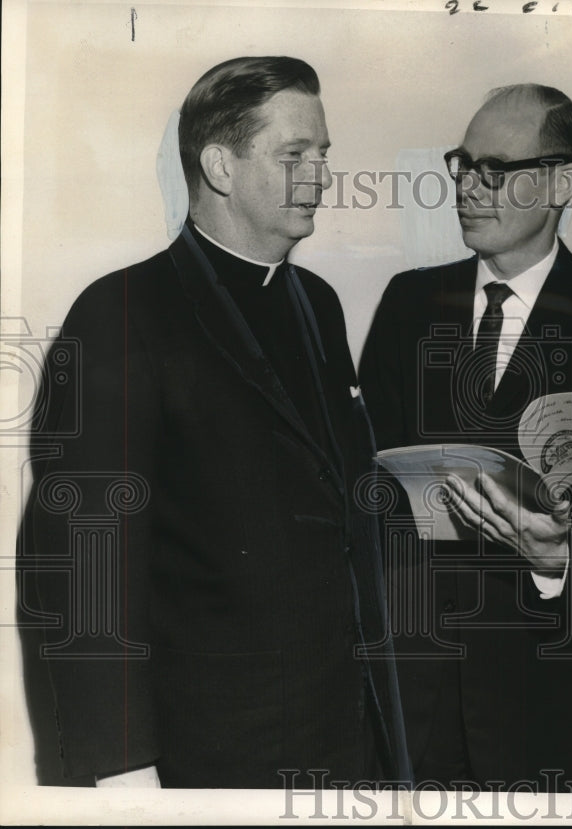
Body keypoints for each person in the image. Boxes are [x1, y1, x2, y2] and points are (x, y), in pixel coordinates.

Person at [19, 56, 410, 788]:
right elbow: (88, 565)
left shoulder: (317, 304)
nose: (322, 177)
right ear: (220, 166)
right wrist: (123, 768)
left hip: (345, 743)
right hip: (206, 760)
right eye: (295, 155)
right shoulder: (120, 313)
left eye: (324, 155)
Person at [359, 83, 572, 791]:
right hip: (413, 701)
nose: (469, 186)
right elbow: (362, 483)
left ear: (562, 181)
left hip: (546, 708)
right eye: (462, 165)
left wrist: (556, 560)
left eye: (496, 169)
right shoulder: (409, 302)